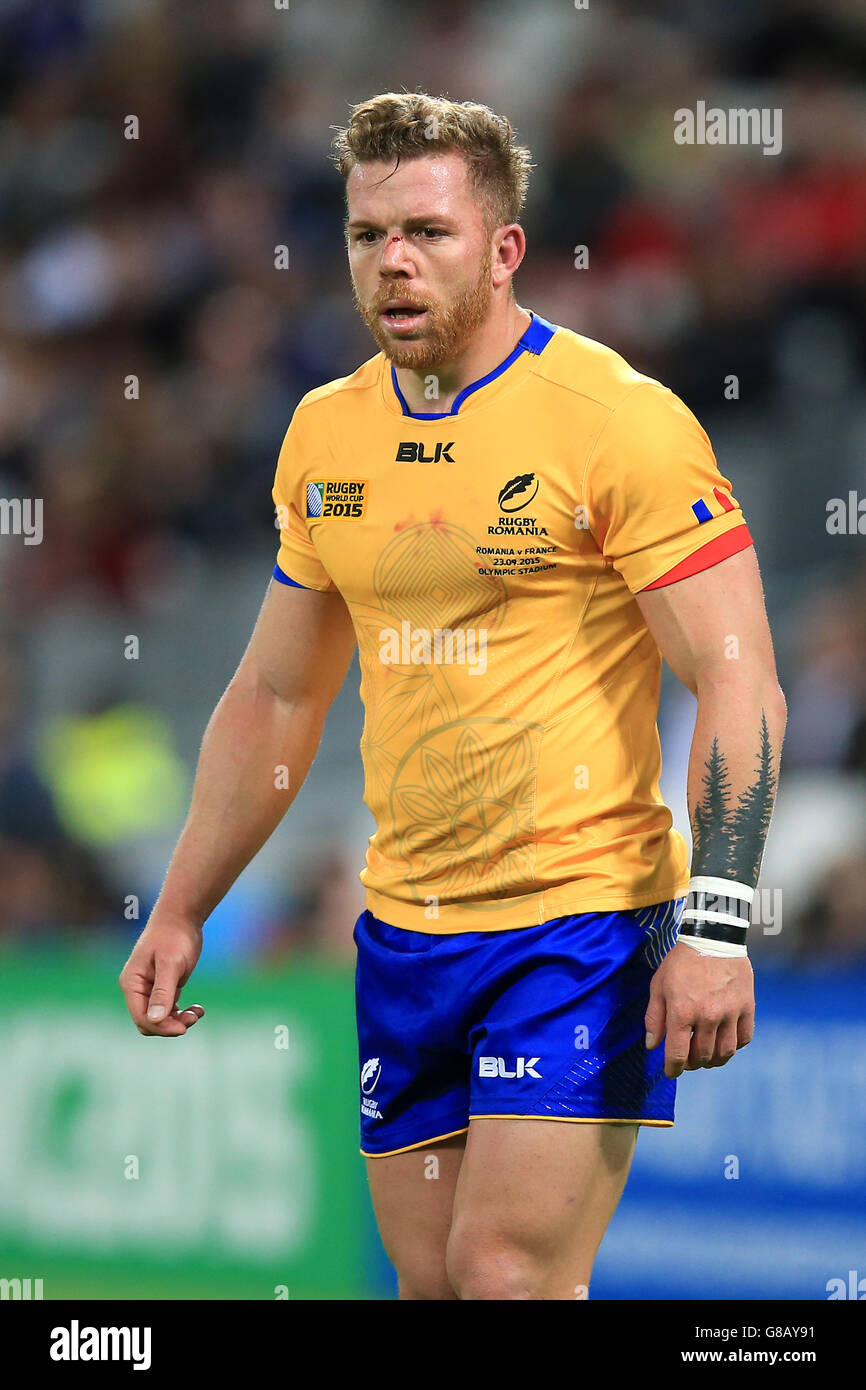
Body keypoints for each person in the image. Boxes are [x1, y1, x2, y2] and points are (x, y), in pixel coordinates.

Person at [119, 92, 787, 1300]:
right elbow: (275, 693)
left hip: (576, 926)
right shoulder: (325, 436)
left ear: (503, 247)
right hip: (406, 932)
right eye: (368, 235)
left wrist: (719, 920)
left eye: (426, 230)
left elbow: (738, 676)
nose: (393, 263)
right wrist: (182, 906)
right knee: (431, 1290)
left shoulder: (616, 423)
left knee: (504, 1277)